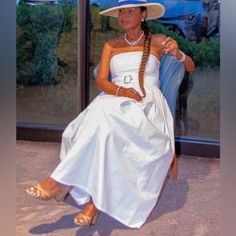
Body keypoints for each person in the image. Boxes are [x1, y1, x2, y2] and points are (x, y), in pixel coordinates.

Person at [26, 0, 195, 229]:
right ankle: (93, 204)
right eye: (121, 12)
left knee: (102, 120)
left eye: (130, 11)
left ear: (143, 15)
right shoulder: (111, 45)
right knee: (103, 125)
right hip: (116, 99)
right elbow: (101, 80)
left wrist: (178, 54)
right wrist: (120, 91)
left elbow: (190, 67)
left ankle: (60, 182)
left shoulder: (157, 41)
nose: (124, 15)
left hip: (145, 105)